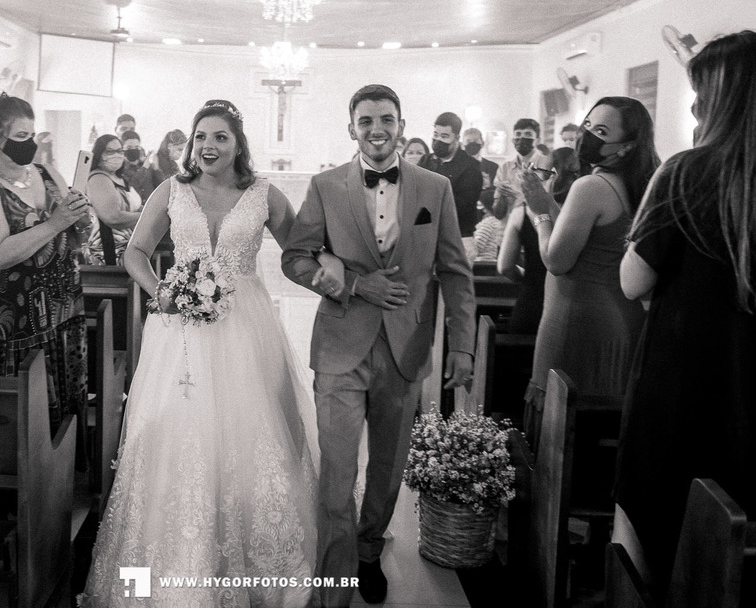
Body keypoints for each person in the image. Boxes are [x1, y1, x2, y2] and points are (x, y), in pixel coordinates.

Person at [614, 31, 756, 591]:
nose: (695, 106)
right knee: (733, 561)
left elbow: (633, 279)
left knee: (652, 551)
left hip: (680, 393)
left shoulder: (686, 172)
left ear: (720, 96)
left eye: (700, 93)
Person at [82, 100, 319, 606]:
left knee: (249, 431)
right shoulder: (172, 189)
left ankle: (252, 558)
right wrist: (161, 291)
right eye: (201, 137)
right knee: (178, 431)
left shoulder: (263, 194)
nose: (209, 146)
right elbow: (135, 251)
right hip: (180, 332)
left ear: (238, 144)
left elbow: (301, 251)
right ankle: (180, 559)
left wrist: (338, 278)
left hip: (247, 328)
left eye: (220, 137)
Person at [282, 84, 477, 607]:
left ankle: (369, 550)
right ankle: (334, 582)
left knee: (388, 472)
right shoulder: (325, 186)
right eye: (366, 120)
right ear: (352, 128)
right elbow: (296, 258)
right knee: (337, 473)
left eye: (386, 119)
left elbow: (455, 272)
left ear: (401, 125)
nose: (376, 129)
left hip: (405, 347)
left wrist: (462, 346)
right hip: (340, 347)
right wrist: (352, 284)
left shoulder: (435, 187)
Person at [519, 97, 658, 432]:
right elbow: (585, 238)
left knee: (560, 430)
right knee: (600, 427)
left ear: (626, 146)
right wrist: (548, 203)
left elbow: (556, 260)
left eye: (601, 131)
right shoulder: (636, 184)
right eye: (587, 125)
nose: (588, 136)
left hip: (576, 320)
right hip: (619, 320)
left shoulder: (590, 186)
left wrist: (538, 213)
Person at [0, 94, 92, 436]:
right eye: (21, 136)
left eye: (32, 135)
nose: (29, 144)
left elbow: (72, 231)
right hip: (15, 327)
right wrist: (56, 223)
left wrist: (80, 221)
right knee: (25, 434)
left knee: (64, 424)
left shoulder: (46, 173)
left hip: (61, 315)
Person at [498, 147, 582, 334]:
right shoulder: (583, 213)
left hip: (531, 304)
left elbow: (504, 267)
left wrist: (528, 278)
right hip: (571, 307)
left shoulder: (522, 212)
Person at [423, 112, 483, 265]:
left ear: (456, 138)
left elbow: (461, 205)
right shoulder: (426, 161)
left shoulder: (471, 167)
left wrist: (428, 196)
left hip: (458, 237)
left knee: (455, 280)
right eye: (435, 134)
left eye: (444, 136)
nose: (438, 140)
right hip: (426, 235)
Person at [84, 134, 143, 265]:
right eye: (110, 151)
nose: (116, 155)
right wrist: (147, 216)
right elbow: (113, 218)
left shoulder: (119, 178)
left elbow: (133, 207)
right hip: (109, 247)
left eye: (119, 151)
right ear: (99, 155)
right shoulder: (98, 178)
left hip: (128, 245)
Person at [492, 118, 551, 219]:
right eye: (518, 134)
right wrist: (501, 196)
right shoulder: (505, 168)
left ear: (538, 140)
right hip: (509, 223)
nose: (522, 138)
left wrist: (518, 195)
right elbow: (497, 213)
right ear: (512, 140)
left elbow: (549, 205)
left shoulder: (547, 165)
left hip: (538, 224)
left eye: (528, 134)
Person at [463, 127, 498, 220]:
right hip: (462, 213)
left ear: (482, 143)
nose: (472, 143)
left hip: (486, 215)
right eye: (468, 141)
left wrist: (487, 186)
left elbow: (497, 194)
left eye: (475, 140)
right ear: (462, 145)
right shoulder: (456, 166)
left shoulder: (493, 167)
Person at [119, 129, 161, 202]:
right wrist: (144, 168)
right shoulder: (120, 168)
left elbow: (160, 185)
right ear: (122, 149)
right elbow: (130, 187)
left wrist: (156, 169)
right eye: (129, 147)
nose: (133, 150)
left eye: (136, 147)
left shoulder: (145, 164)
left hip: (151, 205)